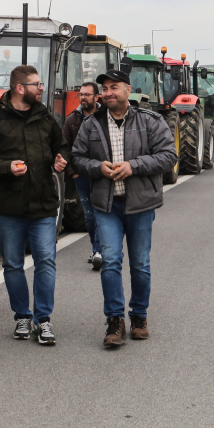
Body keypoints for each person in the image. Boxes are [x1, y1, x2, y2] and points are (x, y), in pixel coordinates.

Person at [71, 70, 178, 347]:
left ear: (127, 90)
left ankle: (139, 316)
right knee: (110, 262)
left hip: (141, 205)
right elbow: (78, 158)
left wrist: (134, 166)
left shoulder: (150, 121)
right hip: (107, 206)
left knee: (140, 265)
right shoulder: (91, 124)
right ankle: (115, 320)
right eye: (104, 88)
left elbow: (168, 156)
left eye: (113, 87)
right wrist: (98, 167)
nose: (107, 93)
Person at [0, 65, 70, 346]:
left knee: (45, 261)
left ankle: (43, 320)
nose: (41, 88)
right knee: (13, 264)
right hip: (9, 206)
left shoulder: (45, 118)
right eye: (36, 84)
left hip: (43, 203)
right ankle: (22, 317)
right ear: (19, 88)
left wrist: (61, 159)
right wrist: (5, 167)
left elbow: (61, 146)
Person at [62, 82, 102, 270]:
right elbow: (65, 149)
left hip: (103, 174)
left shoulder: (106, 116)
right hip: (82, 176)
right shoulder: (72, 120)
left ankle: (103, 250)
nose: (83, 97)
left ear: (96, 97)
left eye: (87, 94)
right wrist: (74, 173)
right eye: (81, 94)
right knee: (89, 214)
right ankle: (96, 250)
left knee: (104, 212)